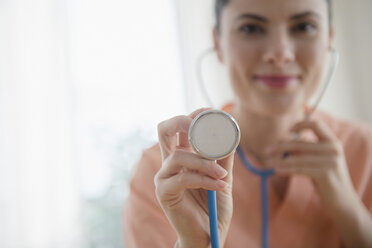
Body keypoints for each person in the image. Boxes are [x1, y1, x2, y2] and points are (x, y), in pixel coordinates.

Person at [123, 0, 372, 247]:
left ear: (329, 38)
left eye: (304, 27)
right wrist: (194, 243)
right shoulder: (165, 173)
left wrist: (350, 210)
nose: (280, 53)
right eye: (250, 28)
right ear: (218, 43)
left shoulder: (365, 150)